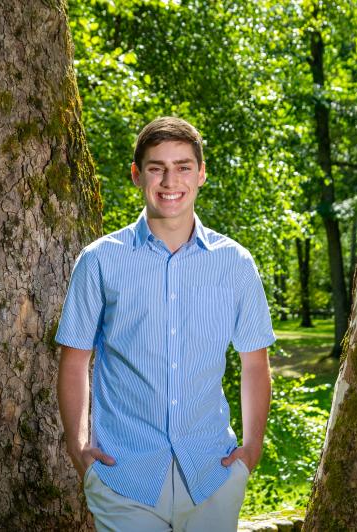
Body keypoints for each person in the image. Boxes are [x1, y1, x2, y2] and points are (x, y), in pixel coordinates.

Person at [56, 116, 275, 531]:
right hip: (123, 476)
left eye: (183, 167)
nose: (170, 180)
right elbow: (75, 360)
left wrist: (251, 450)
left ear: (201, 174)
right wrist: (78, 447)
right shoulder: (100, 260)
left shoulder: (235, 263)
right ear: (136, 175)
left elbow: (254, 363)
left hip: (212, 474)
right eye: (157, 168)